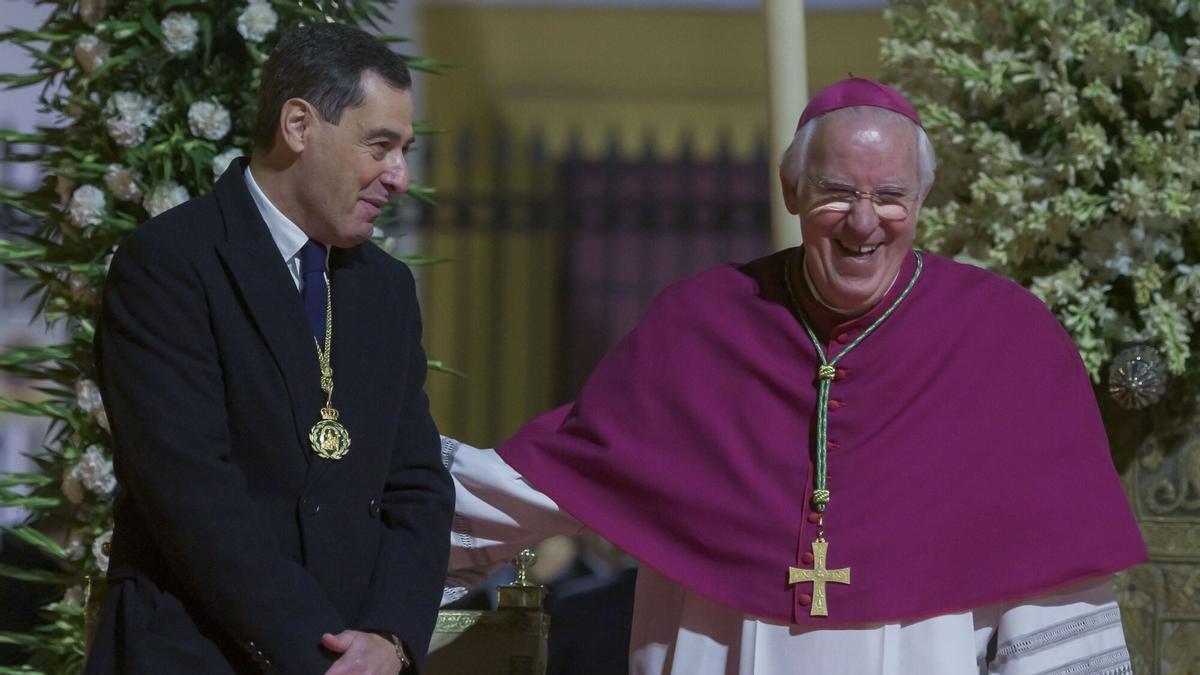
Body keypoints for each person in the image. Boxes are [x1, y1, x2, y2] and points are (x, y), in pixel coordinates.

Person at [441, 78, 1147, 674]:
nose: (864, 222)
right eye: (838, 191)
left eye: (891, 195)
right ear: (791, 188)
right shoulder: (704, 322)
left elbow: (1050, 556)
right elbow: (567, 467)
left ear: (923, 200)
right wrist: (393, 527)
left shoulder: (1004, 335)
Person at [87, 24, 453, 675]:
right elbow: (193, 494)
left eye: (405, 150)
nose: (399, 176)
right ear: (298, 125)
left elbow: (417, 485)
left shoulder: (387, 289)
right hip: (196, 653)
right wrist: (322, 654)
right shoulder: (172, 263)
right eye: (380, 146)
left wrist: (390, 638)